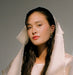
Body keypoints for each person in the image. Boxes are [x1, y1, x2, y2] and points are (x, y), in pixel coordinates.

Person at [2, 7, 73, 75]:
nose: (33, 31)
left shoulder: (68, 62)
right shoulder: (19, 63)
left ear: (52, 29)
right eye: (29, 27)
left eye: (39, 25)